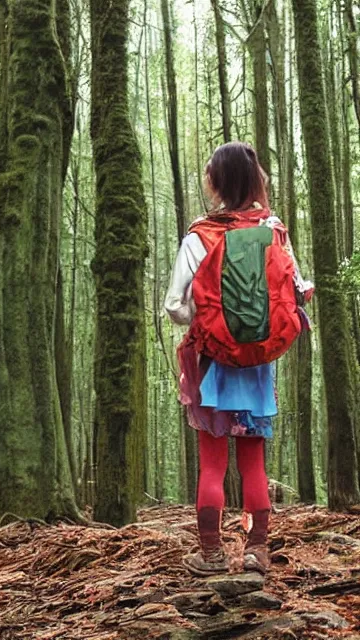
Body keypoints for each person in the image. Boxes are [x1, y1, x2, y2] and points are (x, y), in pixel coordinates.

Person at [164, 141, 314, 577]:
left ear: (215, 182)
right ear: (255, 181)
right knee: (254, 462)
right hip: (257, 367)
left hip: (211, 367)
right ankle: (256, 552)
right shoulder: (274, 230)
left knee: (213, 462)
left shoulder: (201, 235)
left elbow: (175, 306)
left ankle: (210, 554)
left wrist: (208, 316)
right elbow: (294, 290)